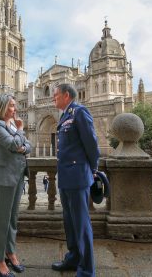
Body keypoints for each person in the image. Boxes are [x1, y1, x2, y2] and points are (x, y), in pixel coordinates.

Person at [51, 84, 100, 277]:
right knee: (69, 222)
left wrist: (93, 169)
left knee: (81, 224)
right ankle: (73, 258)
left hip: (78, 176)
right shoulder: (64, 116)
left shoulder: (79, 112)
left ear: (66, 95)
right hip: (66, 176)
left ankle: (87, 269)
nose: (53, 98)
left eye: (55, 95)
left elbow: (92, 144)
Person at [0, 93, 32, 277]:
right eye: (12, 106)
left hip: (18, 174)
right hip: (4, 177)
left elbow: (27, 146)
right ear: (3, 107)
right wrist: (20, 132)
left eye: (15, 105)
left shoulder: (11, 125)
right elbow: (14, 145)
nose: (15, 109)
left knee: (13, 219)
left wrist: (21, 143)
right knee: (2, 221)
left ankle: (10, 253)